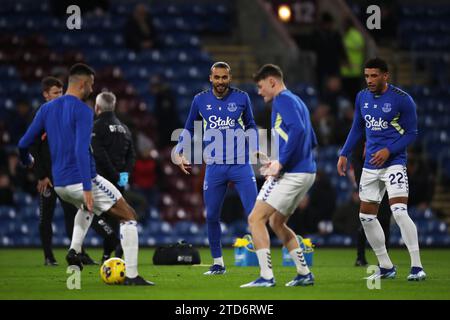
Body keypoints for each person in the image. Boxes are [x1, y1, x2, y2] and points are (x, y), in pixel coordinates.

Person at [18, 63, 153, 285]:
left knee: (85, 208)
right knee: (129, 216)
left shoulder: (46, 109)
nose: (92, 87)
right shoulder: (83, 110)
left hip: (60, 184)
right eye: (91, 83)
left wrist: (28, 161)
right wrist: (88, 188)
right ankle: (131, 275)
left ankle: (73, 250)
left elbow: (23, 143)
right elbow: (82, 150)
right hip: (83, 179)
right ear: (82, 84)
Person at [337, 57, 426, 281]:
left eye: (374, 75)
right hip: (369, 167)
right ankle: (386, 266)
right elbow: (357, 127)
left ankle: (417, 266)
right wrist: (344, 153)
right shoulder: (361, 97)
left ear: (386, 75)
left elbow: (412, 133)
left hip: (394, 163)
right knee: (366, 217)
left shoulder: (402, 100)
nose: (369, 80)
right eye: (367, 76)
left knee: (399, 211)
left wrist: (389, 150)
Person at [175, 62, 259, 275]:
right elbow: (188, 128)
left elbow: (250, 125)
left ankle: (263, 263)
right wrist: (181, 150)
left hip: (240, 164)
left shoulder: (242, 98)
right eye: (217, 77)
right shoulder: (200, 100)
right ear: (210, 78)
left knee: (254, 214)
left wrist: (256, 148)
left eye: (224, 77)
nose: (221, 82)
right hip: (214, 166)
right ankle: (218, 263)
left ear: (229, 78)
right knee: (212, 215)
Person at [241, 64, 317, 288]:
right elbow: (311, 139)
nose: (259, 91)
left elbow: (299, 131)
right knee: (276, 222)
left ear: (272, 82)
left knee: (255, 219)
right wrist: (277, 161)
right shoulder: (298, 101)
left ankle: (266, 276)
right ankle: (304, 273)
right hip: (305, 171)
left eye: (260, 85)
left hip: (293, 172)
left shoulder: (283, 100)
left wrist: (282, 163)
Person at [29, 77, 118, 266]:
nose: (59, 96)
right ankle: (48, 256)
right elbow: (33, 148)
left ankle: (78, 252)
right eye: (55, 93)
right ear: (45, 95)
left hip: (66, 175)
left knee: (76, 214)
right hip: (48, 177)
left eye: (61, 92)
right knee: (47, 216)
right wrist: (41, 175)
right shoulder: (43, 115)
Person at [91, 91, 136, 262]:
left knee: (90, 213)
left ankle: (112, 245)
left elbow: (99, 155)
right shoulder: (124, 128)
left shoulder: (96, 126)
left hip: (100, 179)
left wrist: (112, 174)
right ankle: (110, 256)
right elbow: (131, 156)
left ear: (97, 107)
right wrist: (123, 177)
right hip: (119, 182)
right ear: (114, 106)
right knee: (116, 218)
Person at [351, 140, 391, 267]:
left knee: (384, 221)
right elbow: (356, 162)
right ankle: (360, 256)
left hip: (383, 182)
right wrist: (360, 184)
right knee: (366, 220)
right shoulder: (361, 138)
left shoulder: (383, 135)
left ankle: (384, 260)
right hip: (369, 183)